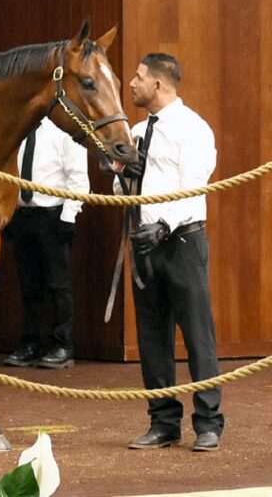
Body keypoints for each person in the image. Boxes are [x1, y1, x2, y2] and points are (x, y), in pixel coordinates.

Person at [118, 53, 224, 452]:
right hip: (145, 245)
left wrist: (163, 224)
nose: (132, 83)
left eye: (139, 77)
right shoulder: (137, 131)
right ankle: (163, 422)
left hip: (181, 242)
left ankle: (209, 422)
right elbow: (124, 195)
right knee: (152, 338)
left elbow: (194, 185)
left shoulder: (192, 128)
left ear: (158, 85)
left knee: (198, 336)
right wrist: (124, 176)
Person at [3, 116, 89, 369]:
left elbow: (78, 178)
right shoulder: (19, 130)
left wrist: (69, 216)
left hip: (52, 215)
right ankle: (31, 343)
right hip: (21, 215)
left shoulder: (64, 131)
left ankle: (62, 344)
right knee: (29, 285)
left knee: (57, 284)